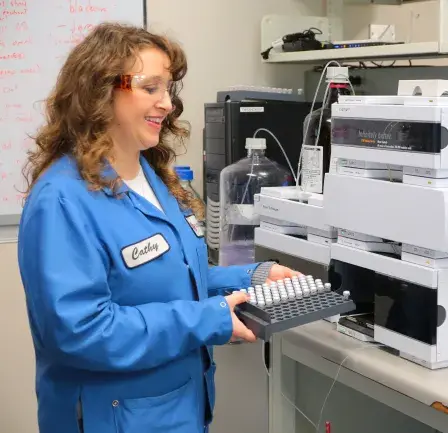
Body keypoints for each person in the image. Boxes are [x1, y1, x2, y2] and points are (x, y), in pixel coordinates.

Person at [17, 22, 299, 433]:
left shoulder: (153, 178)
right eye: (150, 87)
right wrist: (208, 319)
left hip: (178, 410)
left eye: (168, 89)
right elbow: (81, 332)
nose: (167, 103)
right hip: (112, 419)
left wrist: (252, 278)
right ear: (101, 90)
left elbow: (174, 278)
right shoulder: (62, 198)